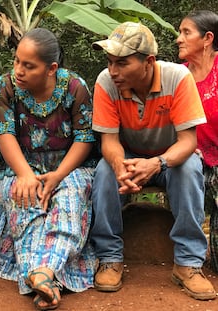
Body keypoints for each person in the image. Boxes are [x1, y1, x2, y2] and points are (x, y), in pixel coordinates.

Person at [90, 21, 216, 300]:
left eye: (122, 63)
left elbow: (188, 142)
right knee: (103, 171)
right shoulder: (105, 82)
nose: (113, 71)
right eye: (110, 62)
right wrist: (120, 165)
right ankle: (109, 257)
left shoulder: (177, 79)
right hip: (130, 157)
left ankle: (188, 264)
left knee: (190, 168)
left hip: (170, 156)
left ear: (148, 61)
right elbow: (109, 143)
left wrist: (157, 163)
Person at [0, 28, 98, 310]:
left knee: (69, 201)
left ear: (51, 68)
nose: (18, 70)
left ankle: (41, 274)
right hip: (21, 163)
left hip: (69, 166)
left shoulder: (75, 87)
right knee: (24, 200)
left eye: (28, 66)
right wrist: (24, 174)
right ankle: (45, 278)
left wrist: (58, 176)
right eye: (17, 61)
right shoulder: (5, 86)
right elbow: (5, 134)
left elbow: (84, 138)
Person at [177, 9, 218, 274]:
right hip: (188, 161)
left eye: (186, 32)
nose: (178, 39)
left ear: (207, 38)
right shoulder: (176, 76)